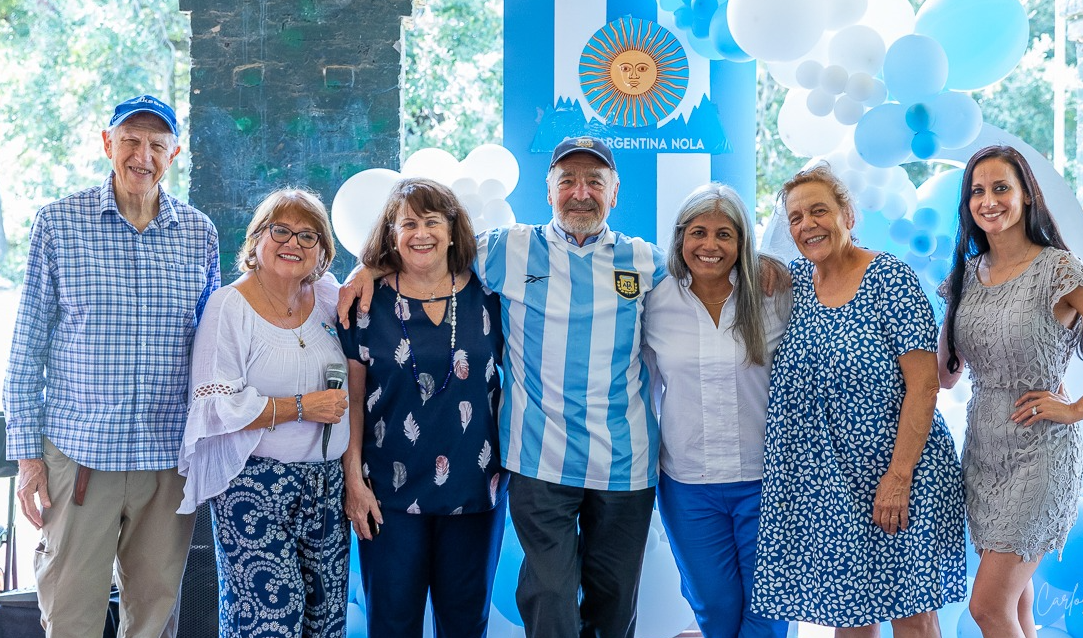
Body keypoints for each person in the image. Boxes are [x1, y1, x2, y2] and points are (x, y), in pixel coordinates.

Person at [339, 136, 667, 638]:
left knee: (614, 603)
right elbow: (424, 250)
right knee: (549, 597)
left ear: (615, 192)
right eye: (567, 181)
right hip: (539, 459)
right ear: (549, 191)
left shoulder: (648, 262)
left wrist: (770, 271)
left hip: (623, 462)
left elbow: (706, 282)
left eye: (594, 182)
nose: (581, 192)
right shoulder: (506, 250)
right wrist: (369, 267)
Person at [2, 94, 221, 637]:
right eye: (130, 141)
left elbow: (213, 349)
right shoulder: (58, 223)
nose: (142, 156)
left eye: (156, 145)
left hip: (166, 463)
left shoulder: (200, 233)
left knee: (153, 621)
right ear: (107, 143)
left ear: (173, 154)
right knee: (70, 618)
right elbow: (26, 349)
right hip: (80, 459)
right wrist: (28, 460)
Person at [938, 146, 1083, 638]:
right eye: (977, 191)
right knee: (1017, 603)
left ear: (1027, 196)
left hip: (1040, 454)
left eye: (1001, 188)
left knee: (987, 607)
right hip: (983, 453)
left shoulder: (1057, 269)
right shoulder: (966, 275)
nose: (988, 200)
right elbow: (946, 375)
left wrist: (1077, 408)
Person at [750, 164, 966, 637]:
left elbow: (925, 385)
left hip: (901, 475)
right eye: (796, 217)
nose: (807, 225)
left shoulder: (890, 278)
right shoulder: (795, 283)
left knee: (913, 619)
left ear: (847, 215)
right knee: (848, 616)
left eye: (819, 211)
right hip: (830, 487)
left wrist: (898, 478)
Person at [176, 188, 351, 638]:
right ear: (256, 239)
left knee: (326, 621)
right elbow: (215, 408)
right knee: (270, 622)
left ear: (322, 251)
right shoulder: (228, 306)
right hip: (255, 487)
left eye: (308, 236)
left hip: (326, 486)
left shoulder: (327, 296)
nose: (293, 243)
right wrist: (302, 407)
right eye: (281, 231)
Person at [337, 178, 507, 638]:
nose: (421, 233)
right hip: (387, 495)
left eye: (432, 221)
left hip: (476, 490)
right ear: (392, 234)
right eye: (408, 224)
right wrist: (353, 481)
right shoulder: (364, 303)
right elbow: (353, 402)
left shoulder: (491, 295)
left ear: (452, 230)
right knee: (392, 625)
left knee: (465, 625)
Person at [642, 183, 792, 638]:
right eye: (699, 232)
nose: (710, 245)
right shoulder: (653, 300)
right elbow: (642, 388)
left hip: (767, 482)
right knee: (714, 607)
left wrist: (771, 263)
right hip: (688, 485)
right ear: (680, 238)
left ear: (743, 242)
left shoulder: (774, 295)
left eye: (724, 234)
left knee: (767, 610)